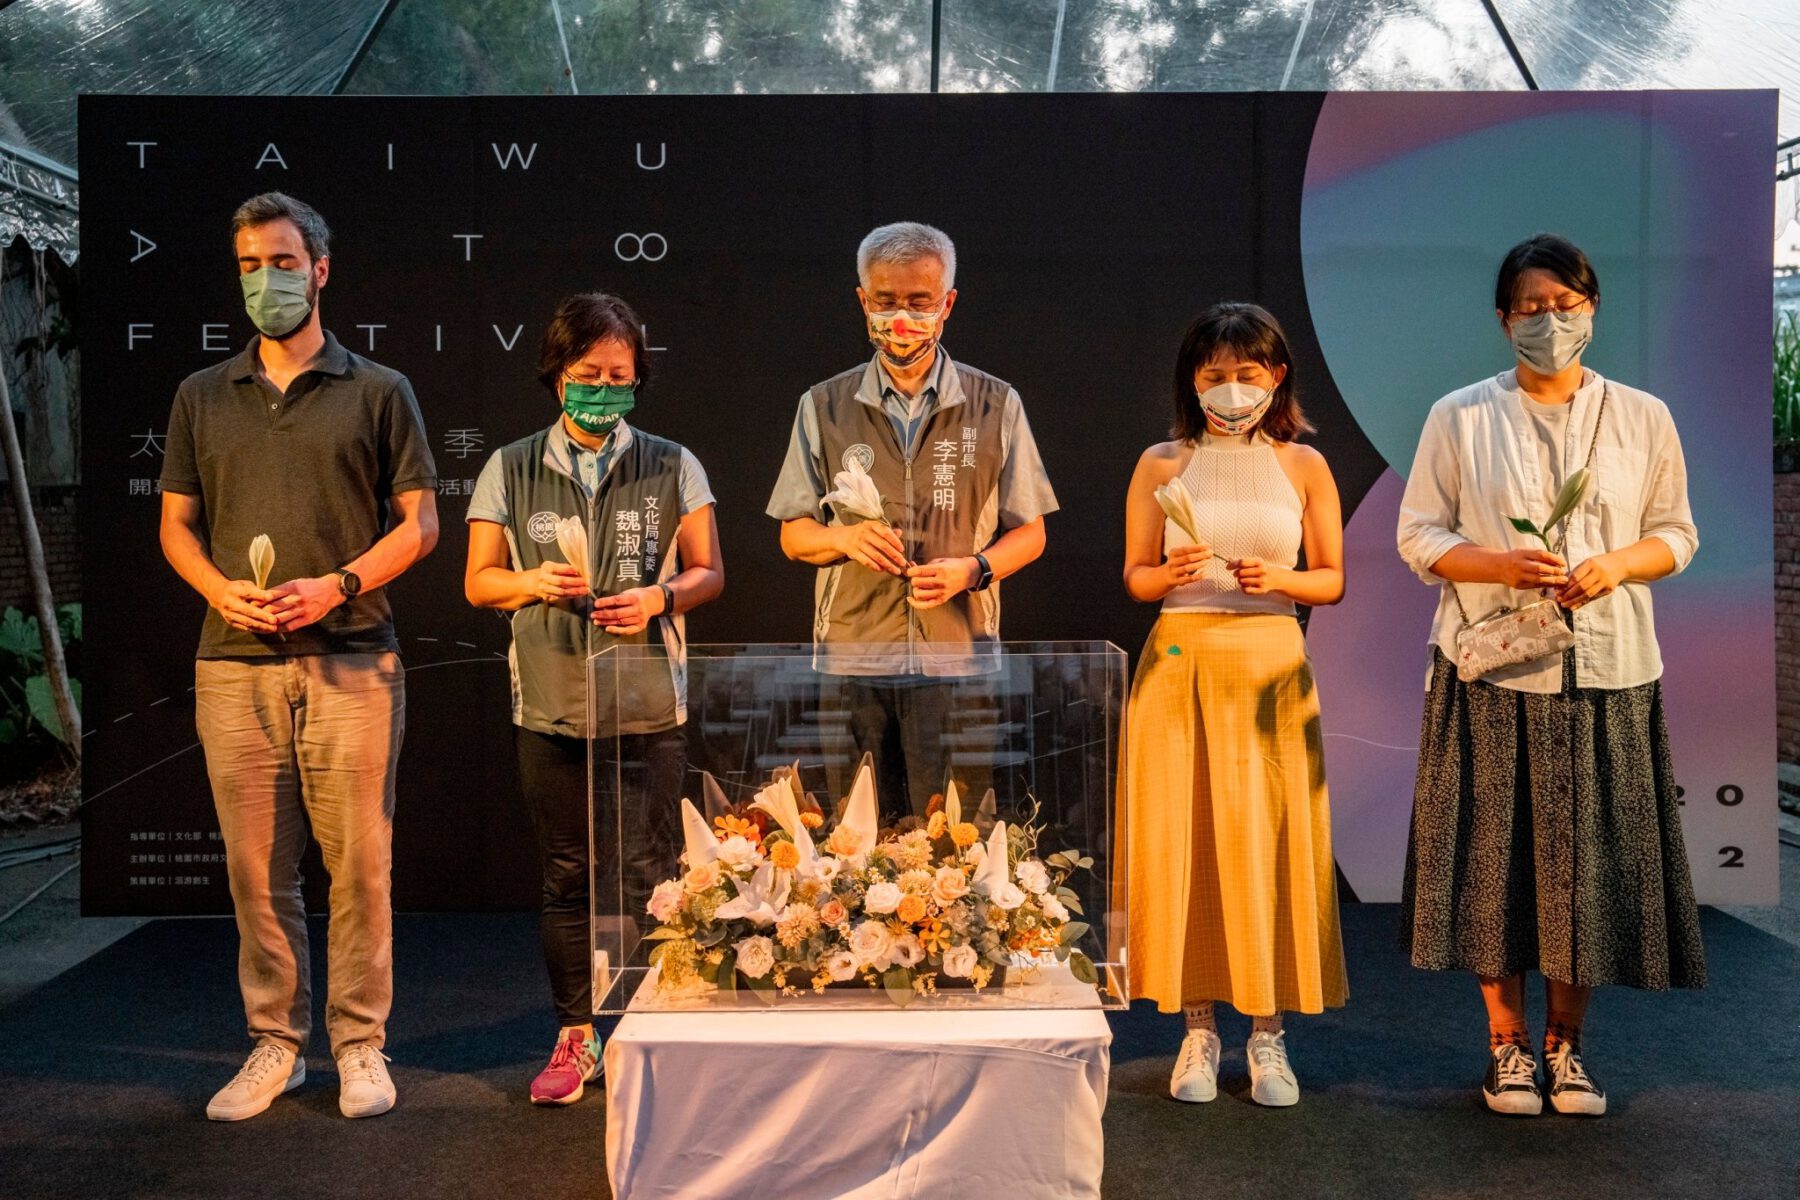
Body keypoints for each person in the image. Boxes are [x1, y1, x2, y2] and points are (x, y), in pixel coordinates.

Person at [1396, 233, 1705, 1118]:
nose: (1549, 322)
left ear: (1592, 309)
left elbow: (1677, 533)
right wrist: (1498, 562)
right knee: (1495, 866)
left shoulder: (1642, 415)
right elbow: (1418, 535)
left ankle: (1568, 1048)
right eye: (1531, 308)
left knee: (1585, 869)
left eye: (1565, 306)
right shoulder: (1461, 415)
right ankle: (1506, 1046)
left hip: (1607, 673)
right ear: (1503, 320)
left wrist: (1617, 566)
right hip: (1495, 673)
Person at [159, 192, 438, 1121]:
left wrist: (339, 585)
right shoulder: (202, 395)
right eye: (249, 265)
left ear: (320, 270)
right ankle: (276, 1045)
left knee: (359, 866)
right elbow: (176, 527)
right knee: (255, 871)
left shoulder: (379, 389)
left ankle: (360, 1045)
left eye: (282, 262)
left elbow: (420, 525)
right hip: (232, 665)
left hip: (353, 660)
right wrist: (218, 590)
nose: (265, 280)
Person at [465, 292, 723, 1106]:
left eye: (619, 376)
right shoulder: (510, 466)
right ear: (557, 376)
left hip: (647, 703)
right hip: (550, 705)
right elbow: (479, 581)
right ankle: (577, 1035)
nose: (603, 389)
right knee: (567, 876)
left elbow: (709, 571)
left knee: (650, 871)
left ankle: (651, 1029)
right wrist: (531, 584)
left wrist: (660, 599)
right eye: (588, 373)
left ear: (638, 379)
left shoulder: (672, 463)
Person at [1119, 302, 1348, 1108]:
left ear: (1276, 377)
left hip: (1270, 665)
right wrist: (1170, 574)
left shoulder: (1303, 466)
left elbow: (1331, 578)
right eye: (1214, 374)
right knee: (1186, 841)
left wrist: (1280, 579)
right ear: (1193, 380)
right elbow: (1136, 577)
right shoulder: (1161, 462)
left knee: (1267, 842)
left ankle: (1267, 1033)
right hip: (1181, 659)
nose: (1230, 388)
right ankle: (1198, 1031)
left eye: (1246, 374)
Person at [767, 221, 1057, 820]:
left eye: (920, 302)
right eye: (886, 301)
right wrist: (844, 538)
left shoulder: (995, 402)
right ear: (863, 301)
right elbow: (793, 534)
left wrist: (972, 570)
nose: (901, 319)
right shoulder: (823, 404)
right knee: (855, 841)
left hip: (957, 654)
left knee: (951, 838)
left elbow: (1031, 532)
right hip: (853, 654)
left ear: (947, 304)